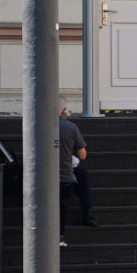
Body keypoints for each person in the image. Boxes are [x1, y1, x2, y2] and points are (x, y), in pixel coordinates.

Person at [58, 100, 96, 246]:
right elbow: (83, 155)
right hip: (65, 173)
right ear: (63, 111)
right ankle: (87, 213)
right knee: (82, 175)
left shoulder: (40, 125)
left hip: (46, 171)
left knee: (80, 174)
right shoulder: (71, 127)